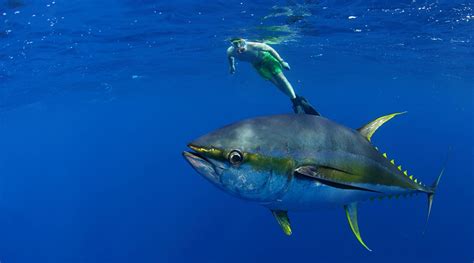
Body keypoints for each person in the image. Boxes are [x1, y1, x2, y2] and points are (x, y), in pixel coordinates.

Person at [227, 38, 319, 115]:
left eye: (241, 45)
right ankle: (298, 99)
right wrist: (232, 66)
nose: (239, 48)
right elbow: (230, 57)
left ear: (244, 43)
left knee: (282, 79)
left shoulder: (254, 45)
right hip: (258, 66)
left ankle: (296, 103)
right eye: (236, 45)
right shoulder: (230, 51)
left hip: (267, 59)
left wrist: (282, 62)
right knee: (276, 84)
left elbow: (270, 49)